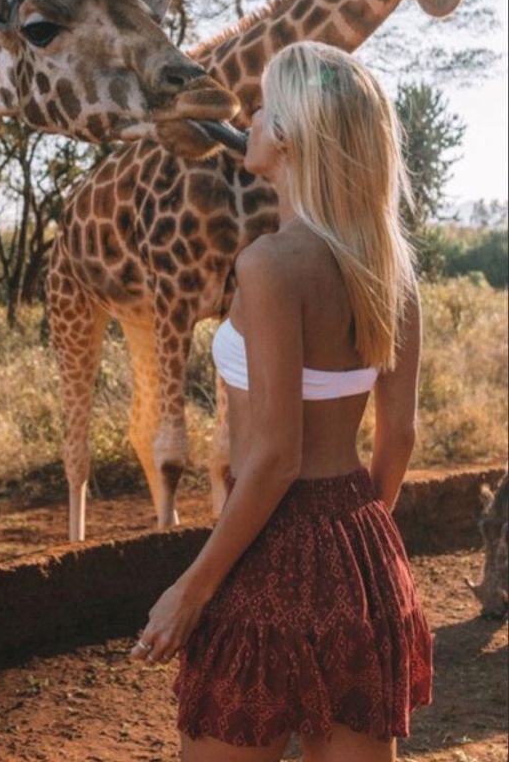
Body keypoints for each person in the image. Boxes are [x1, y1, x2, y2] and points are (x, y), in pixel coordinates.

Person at [130, 41, 432, 761]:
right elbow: (401, 438)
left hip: (265, 544)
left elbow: (271, 457)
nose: (251, 117)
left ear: (290, 137)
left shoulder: (267, 264)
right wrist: (347, 547)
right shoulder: (393, 274)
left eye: (264, 106)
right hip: (364, 550)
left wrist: (193, 590)